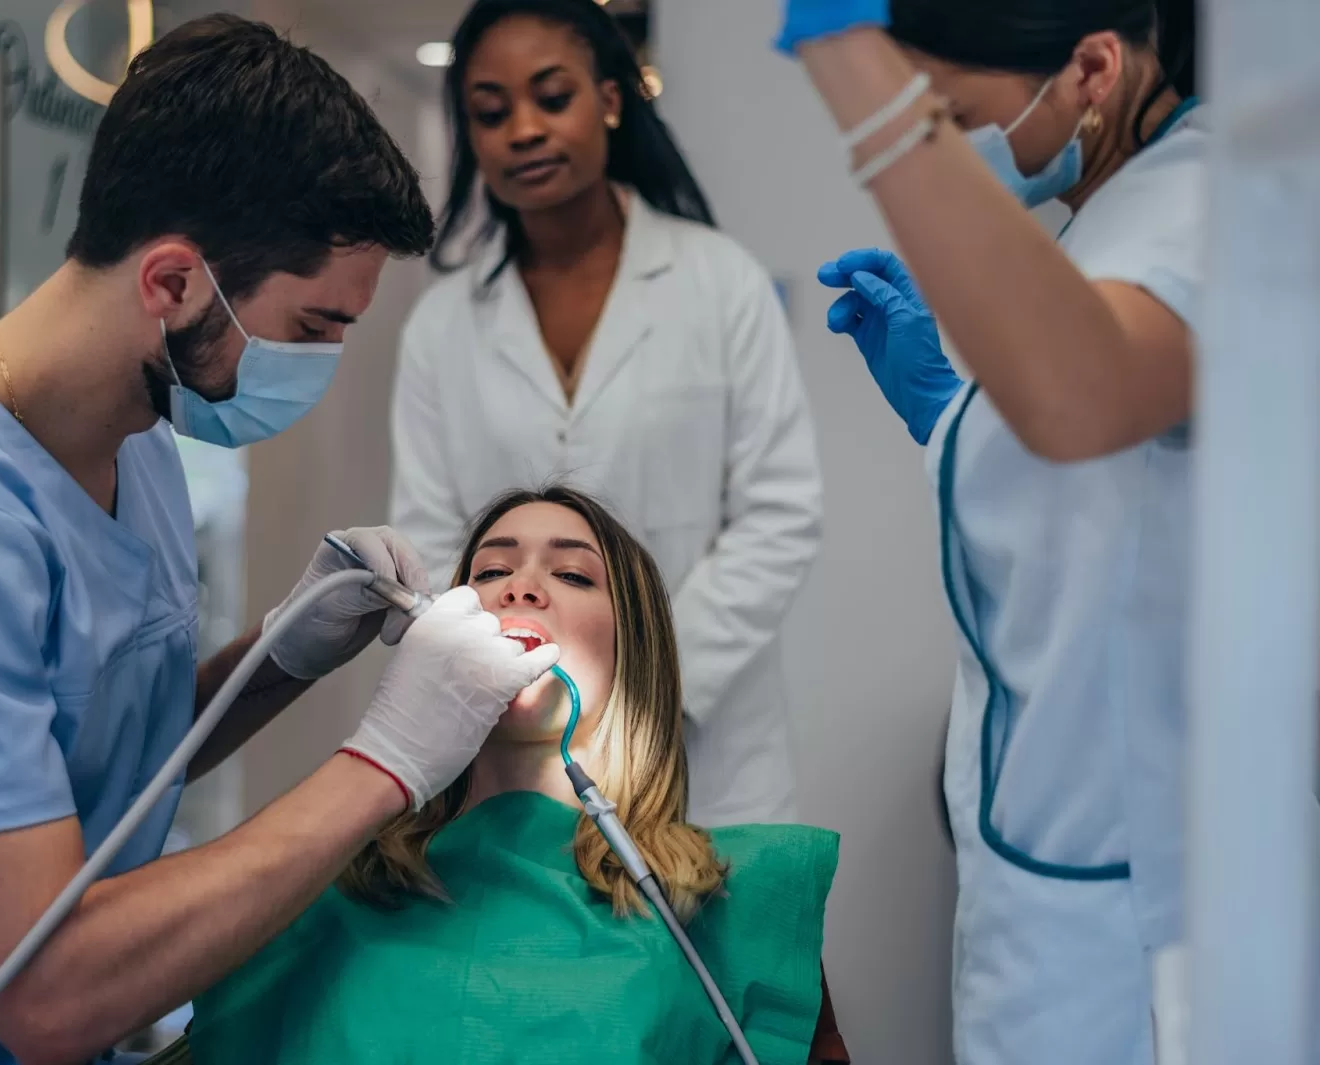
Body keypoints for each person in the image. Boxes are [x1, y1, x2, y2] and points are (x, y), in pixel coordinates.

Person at [0, 17, 560, 1065]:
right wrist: (387, 763)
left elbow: (94, 772)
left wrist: (278, 658)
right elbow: (46, 991)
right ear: (171, 284)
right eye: (311, 329)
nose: (325, 362)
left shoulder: (136, 436)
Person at [773, 2, 1201, 1063]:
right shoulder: (1114, 218)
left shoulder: (1214, 201)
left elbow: (1090, 394)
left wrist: (849, 59)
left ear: (1093, 69)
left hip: (1148, 897)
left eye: (956, 115)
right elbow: (1113, 494)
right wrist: (949, 416)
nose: (957, 158)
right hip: (1069, 861)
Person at [150, 486, 842, 1065]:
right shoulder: (312, 886)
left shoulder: (731, 903)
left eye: (572, 575)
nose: (520, 585)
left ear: (640, 654)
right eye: (487, 573)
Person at [390, 0, 824, 830]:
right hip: (518, 739)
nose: (522, 129)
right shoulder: (443, 324)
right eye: (491, 111)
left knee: (712, 951)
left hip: (707, 746)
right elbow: (433, 537)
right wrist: (523, 681)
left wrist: (650, 680)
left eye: (552, 98)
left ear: (612, 100)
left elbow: (780, 511)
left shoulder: (720, 282)